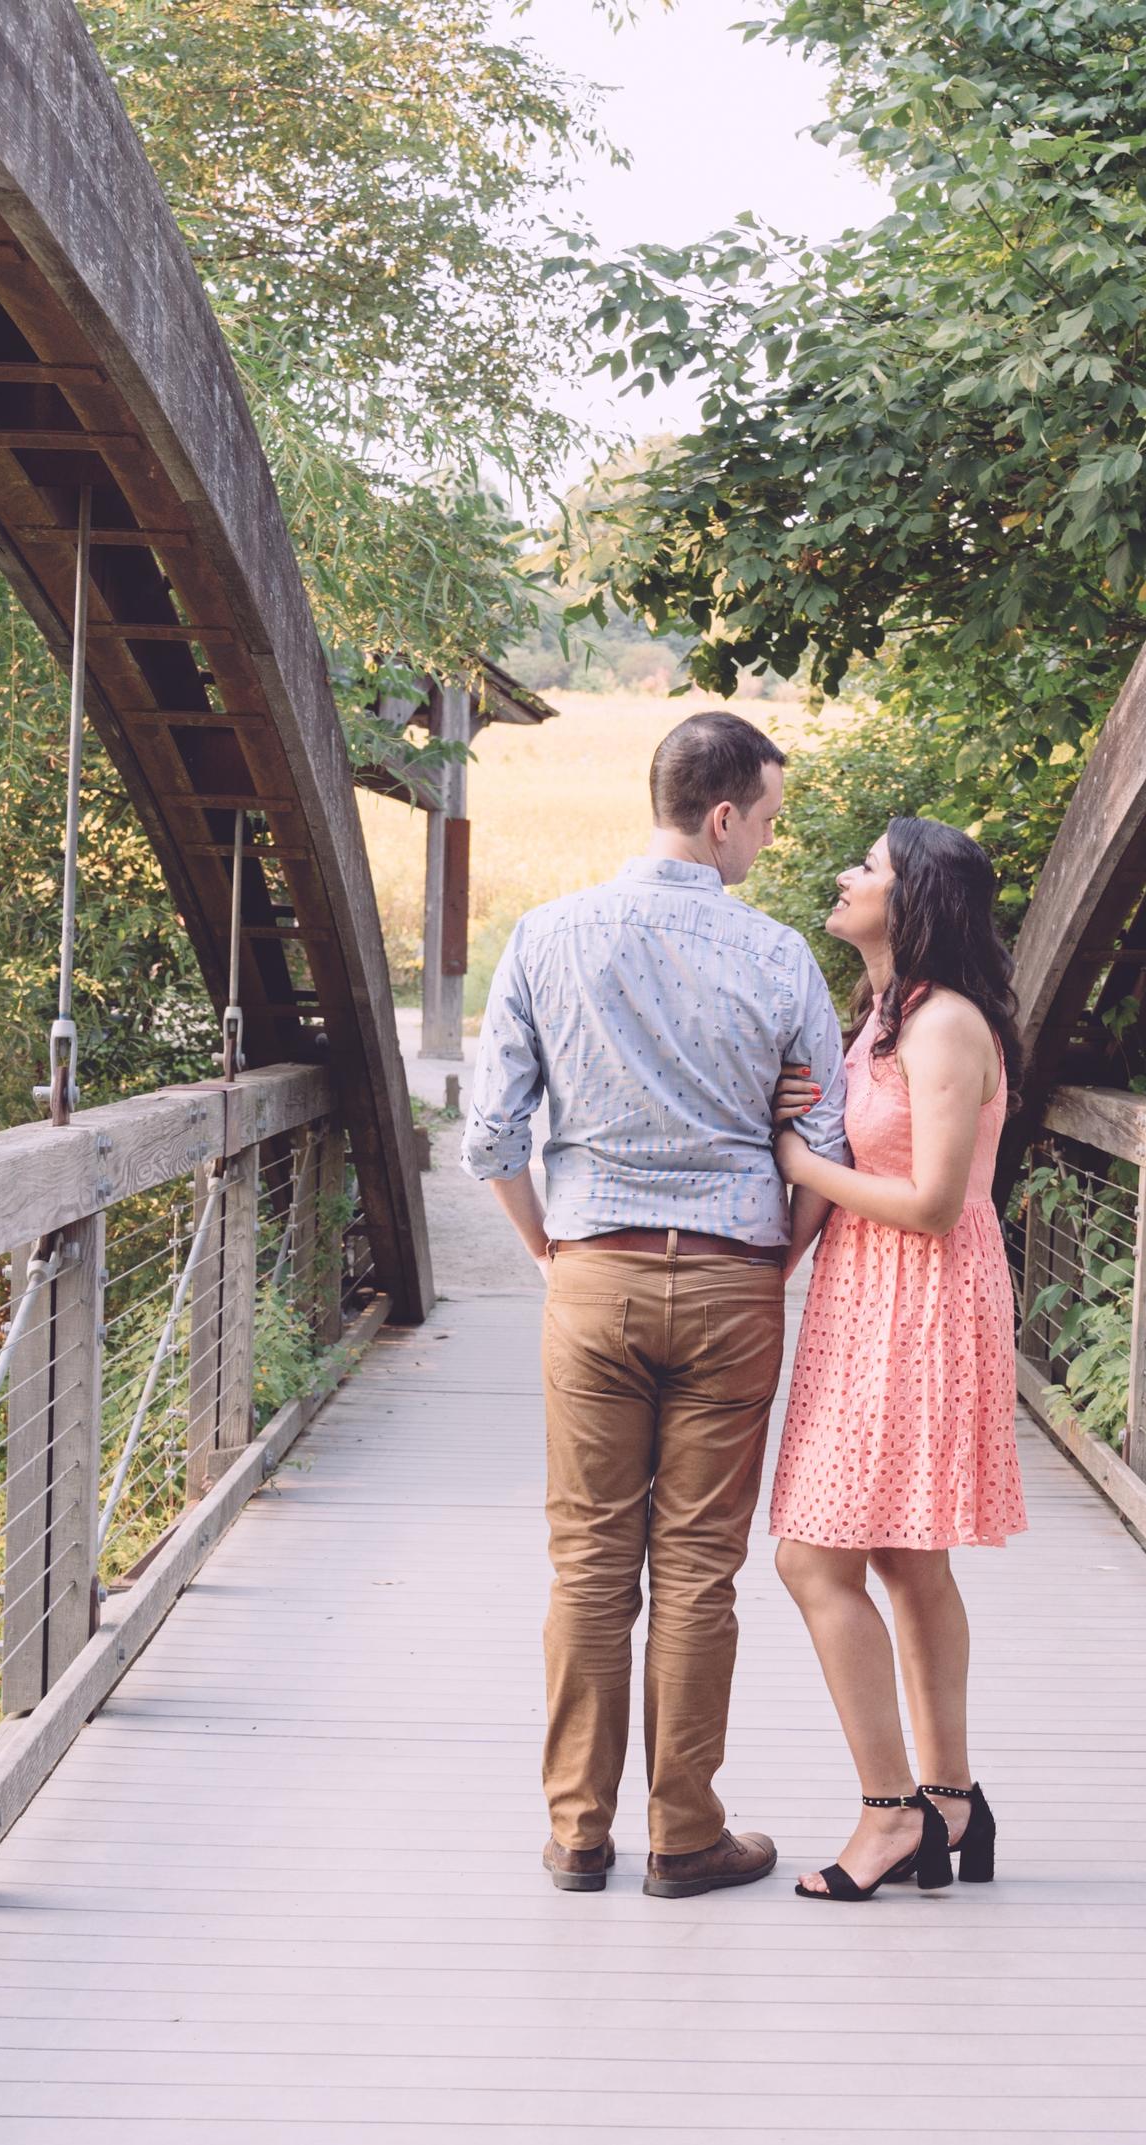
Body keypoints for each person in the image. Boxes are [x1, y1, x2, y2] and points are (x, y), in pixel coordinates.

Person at [462, 710, 852, 1898]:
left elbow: (490, 1134)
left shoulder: (545, 936)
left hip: (595, 1273)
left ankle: (578, 1830)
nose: (768, 848)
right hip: (735, 1280)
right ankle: (685, 1836)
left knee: (588, 1563)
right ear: (722, 815)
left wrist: (553, 1251)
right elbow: (823, 1134)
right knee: (697, 1569)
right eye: (769, 822)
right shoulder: (782, 958)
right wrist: (769, 1267)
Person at [765, 817, 1026, 1902]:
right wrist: (805, 1121)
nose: (845, 875)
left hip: (919, 1300)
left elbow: (930, 1202)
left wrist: (794, 1157)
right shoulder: (883, 1017)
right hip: (866, 1295)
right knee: (907, 1559)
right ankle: (952, 1801)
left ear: (912, 898)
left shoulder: (947, 1025)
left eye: (866, 867)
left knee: (812, 1558)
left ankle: (890, 1817)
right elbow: (868, 1146)